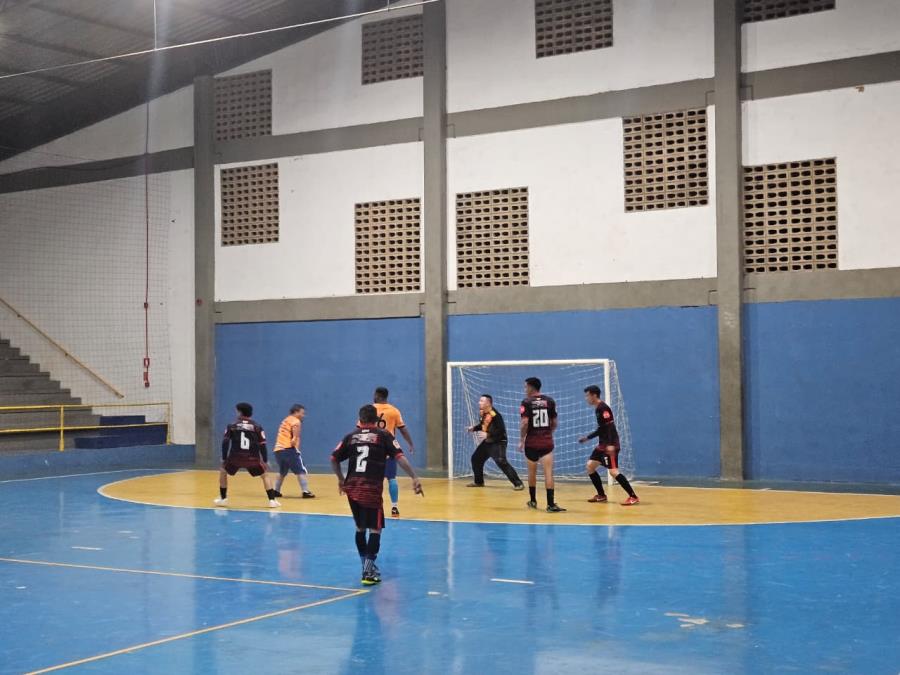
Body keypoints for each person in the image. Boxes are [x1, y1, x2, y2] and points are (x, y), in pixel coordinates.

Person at [331, 404, 424, 585]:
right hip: (371, 489)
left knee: (360, 527)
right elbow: (399, 457)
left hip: (352, 487)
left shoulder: (350, 436)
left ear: (360, 419)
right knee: (375, 528)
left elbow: (333, 458)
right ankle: (368, 571)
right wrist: (414, 477)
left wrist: (341, 479)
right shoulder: (383, 436)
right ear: (377, 420)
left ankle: (366, 565)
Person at [578, 385, 639, 506]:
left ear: (594, 395)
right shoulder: (598, 409)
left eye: (587, 395)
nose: (586, 398)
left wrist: (611, 445)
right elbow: (602, 429)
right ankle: (601, 495)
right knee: (590, 466)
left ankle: (633, 496)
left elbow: (610, 427)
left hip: (610, 445)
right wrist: (587, 438)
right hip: (602, 445)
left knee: (613, 472)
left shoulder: (603, 408)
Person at [214, 402, 280, 508]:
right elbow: (263, 445)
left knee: (223, 472)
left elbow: (225, 442)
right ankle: (272, 500)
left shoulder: (232, 426)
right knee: (265, 475)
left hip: (235, 458)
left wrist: (224, 458)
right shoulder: (257, 426)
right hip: (252, 458)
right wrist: (265, 460)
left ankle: (223, 499)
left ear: (240, 412)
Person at [518, 377, 565, 512]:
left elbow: (525, 423)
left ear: (532, 387)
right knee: (548, 473)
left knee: (531, 472)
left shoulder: (526, 402)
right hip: (546, 442)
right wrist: (548, 432)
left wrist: (522, 439)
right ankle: (550, 504)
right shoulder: (549, 401)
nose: (525, 389)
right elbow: (554, 422)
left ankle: (533, 501)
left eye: (526, 387)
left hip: (531, 442)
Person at [373, 386, 415, 518]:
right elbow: (403, 429)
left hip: (373, 449)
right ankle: (395, 507)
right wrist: (410, 443)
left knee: (374, 480)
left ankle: (375, 507)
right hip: (388, 448)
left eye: (374, 394)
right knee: (392, 478)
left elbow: (359, 428)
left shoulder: (370, 409)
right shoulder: (394, 411)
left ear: (378, 396)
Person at [467, 394, 524, 490]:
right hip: (488, 441)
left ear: (488, 403)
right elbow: (483, 425)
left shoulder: (495, 415)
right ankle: (479, 482)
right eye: (479, 400)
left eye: (481, 401)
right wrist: (474, 428)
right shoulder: (483, 413)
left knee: (501, 461)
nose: (479, 402)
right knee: (476, 459)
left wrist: (488, 435)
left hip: (499, 441)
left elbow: (501, 430)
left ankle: (518, 483)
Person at [272, 404, 315, 499]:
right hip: (289, 449)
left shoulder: (285, 420)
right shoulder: (296, 421)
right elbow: (294, 436)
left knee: (282, 471)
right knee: (301, 470)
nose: (303, 415)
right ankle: (305, 491)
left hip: (278, 450)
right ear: (296, 412)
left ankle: (276, 491)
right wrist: (295, 443)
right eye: (302, 413)